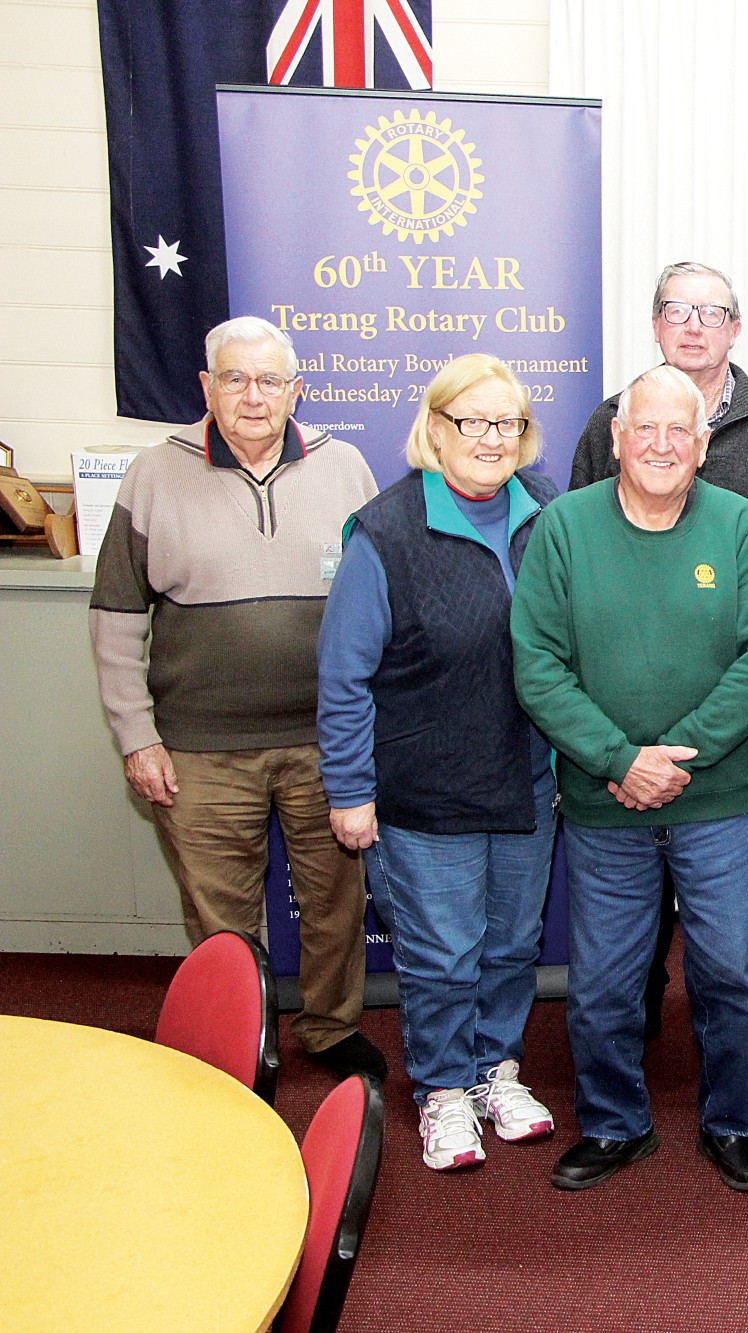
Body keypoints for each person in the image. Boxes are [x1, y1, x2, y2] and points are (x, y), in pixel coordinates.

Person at [513, 365, 748, 1193]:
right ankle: (613, 1122)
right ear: (616, 438)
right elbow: (537, 665)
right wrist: (617, 760)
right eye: (647, 428)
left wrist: (674, 755)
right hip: (605, 806)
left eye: (683, 430)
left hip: (717, 803)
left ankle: (731, 1120)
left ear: (704, 444)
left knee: (730, 972)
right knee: (601, 982)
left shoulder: (741, 525)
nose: (663, 445)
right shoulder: (563, 528)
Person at [89, 315, 385, 1084]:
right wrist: (136, 736)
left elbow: (383, 602)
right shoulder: (154, 474)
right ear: (206, 387)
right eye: (234, 378)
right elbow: (116, 617)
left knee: (334, 903)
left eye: (269, 380)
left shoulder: (346, 466)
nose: (253, 396)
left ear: (297, 389)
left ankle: (328, 1027)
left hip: (329, 743)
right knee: (221, 916)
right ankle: (237, 1036)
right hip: (198, 747)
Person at [317, 354, 561, 1173]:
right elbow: (343, 675)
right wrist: (349, 791)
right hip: (425, 790)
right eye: (473, 421)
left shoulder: (550, 513)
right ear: (435, 426)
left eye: (508, 423)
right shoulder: (383, 534)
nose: (492, 439)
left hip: (526, 780)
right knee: (442, 954)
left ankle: (497, 1071)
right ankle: (444, 1091)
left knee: (509, 946)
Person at [572, 262, 748, 1072]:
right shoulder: (613, 417)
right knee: (619, 939)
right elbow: (571, 581)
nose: (695, 324)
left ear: (736, 328)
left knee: (743, 899)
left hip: (741, 725)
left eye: (712, 311)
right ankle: (634, 1016)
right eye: (677, 309)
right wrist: (620, 753)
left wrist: (691, 745)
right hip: (611, 748)